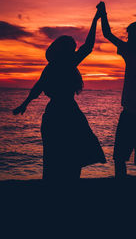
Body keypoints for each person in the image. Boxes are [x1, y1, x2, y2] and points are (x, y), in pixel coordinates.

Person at [13, 9, 106, 182]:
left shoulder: (53, 66)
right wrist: (95, 20)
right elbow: (89, 46)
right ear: (65, 51)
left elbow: (37, 88)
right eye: (71, 48)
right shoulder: (66, 63)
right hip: (65, 112)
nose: (74, 50)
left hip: (56, 113)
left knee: (57, 157)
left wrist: (24, 104)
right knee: (69, 156)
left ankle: (59, 189)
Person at [96, 1, 136, 178]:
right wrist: (103, 14)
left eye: (130, 36)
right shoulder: (128, 51)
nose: (127, 39)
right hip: (128, 115)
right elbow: (108, 34)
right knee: (119, 158)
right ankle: (121, 189)